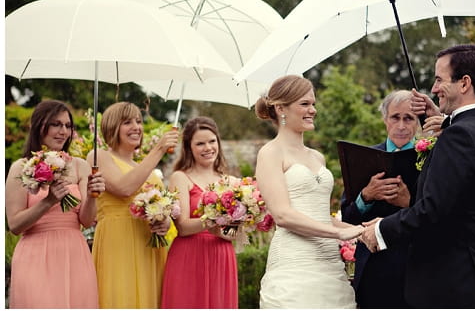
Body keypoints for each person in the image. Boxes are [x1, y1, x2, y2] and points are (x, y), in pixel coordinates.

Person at [360, 44, 475, 308]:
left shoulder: (459, 136)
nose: (434, 89)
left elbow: (433, 209)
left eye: (439, 79)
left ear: (464, 83)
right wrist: (441, 117)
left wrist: (381, 228)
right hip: (474, 273)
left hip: (453, 281)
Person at [254, 74, 364, 309]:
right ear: (281, 108)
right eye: (304, 104)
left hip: (330, 269)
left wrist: (360, 230)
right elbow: (283, 216)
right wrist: (338, 234)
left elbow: (320, 216)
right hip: (294, 267)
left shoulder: (318, 157)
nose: (312, 110)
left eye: (313, 103)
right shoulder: (270, 153)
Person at [6, 100, 105, 308]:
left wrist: (92, 196)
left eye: (68, 126)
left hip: (74, 253)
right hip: (35, 254)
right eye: (56, 124)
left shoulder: (80, 166)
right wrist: (48, 202)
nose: (64, 131)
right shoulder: (20, 167)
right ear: (40, 126)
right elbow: (15, 225)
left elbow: (87, 221)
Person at [87, 101, 178, 308]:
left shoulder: (144, 168)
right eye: (127, 122)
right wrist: (159, 149)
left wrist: (164, 223)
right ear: (112, 127)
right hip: (117, 241)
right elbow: (124, 188)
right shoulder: (99, 156)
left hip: (148, 246)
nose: (136, 126)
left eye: (138, 121)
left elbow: (162, 210)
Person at [340, 90, 418, 308]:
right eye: (395, 117)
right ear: (385, 120)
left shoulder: (430, 158)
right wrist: (366, 196)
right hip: (373, 266)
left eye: (409, 118)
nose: (401, 125)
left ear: (417, 122)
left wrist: (408, 202)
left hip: (416, 268)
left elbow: (438, 213)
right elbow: (346, 217)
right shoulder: (362, 158)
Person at [161, 116, 238, 308]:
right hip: (189, 255)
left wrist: (222, 232)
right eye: (200, 143)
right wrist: (211, 221)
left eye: (212, 141)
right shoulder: (180, 177)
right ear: (189, 147)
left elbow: (236, 232)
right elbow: (183, 227)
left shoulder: (232, 182)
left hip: (221, 255)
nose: (208, 148)